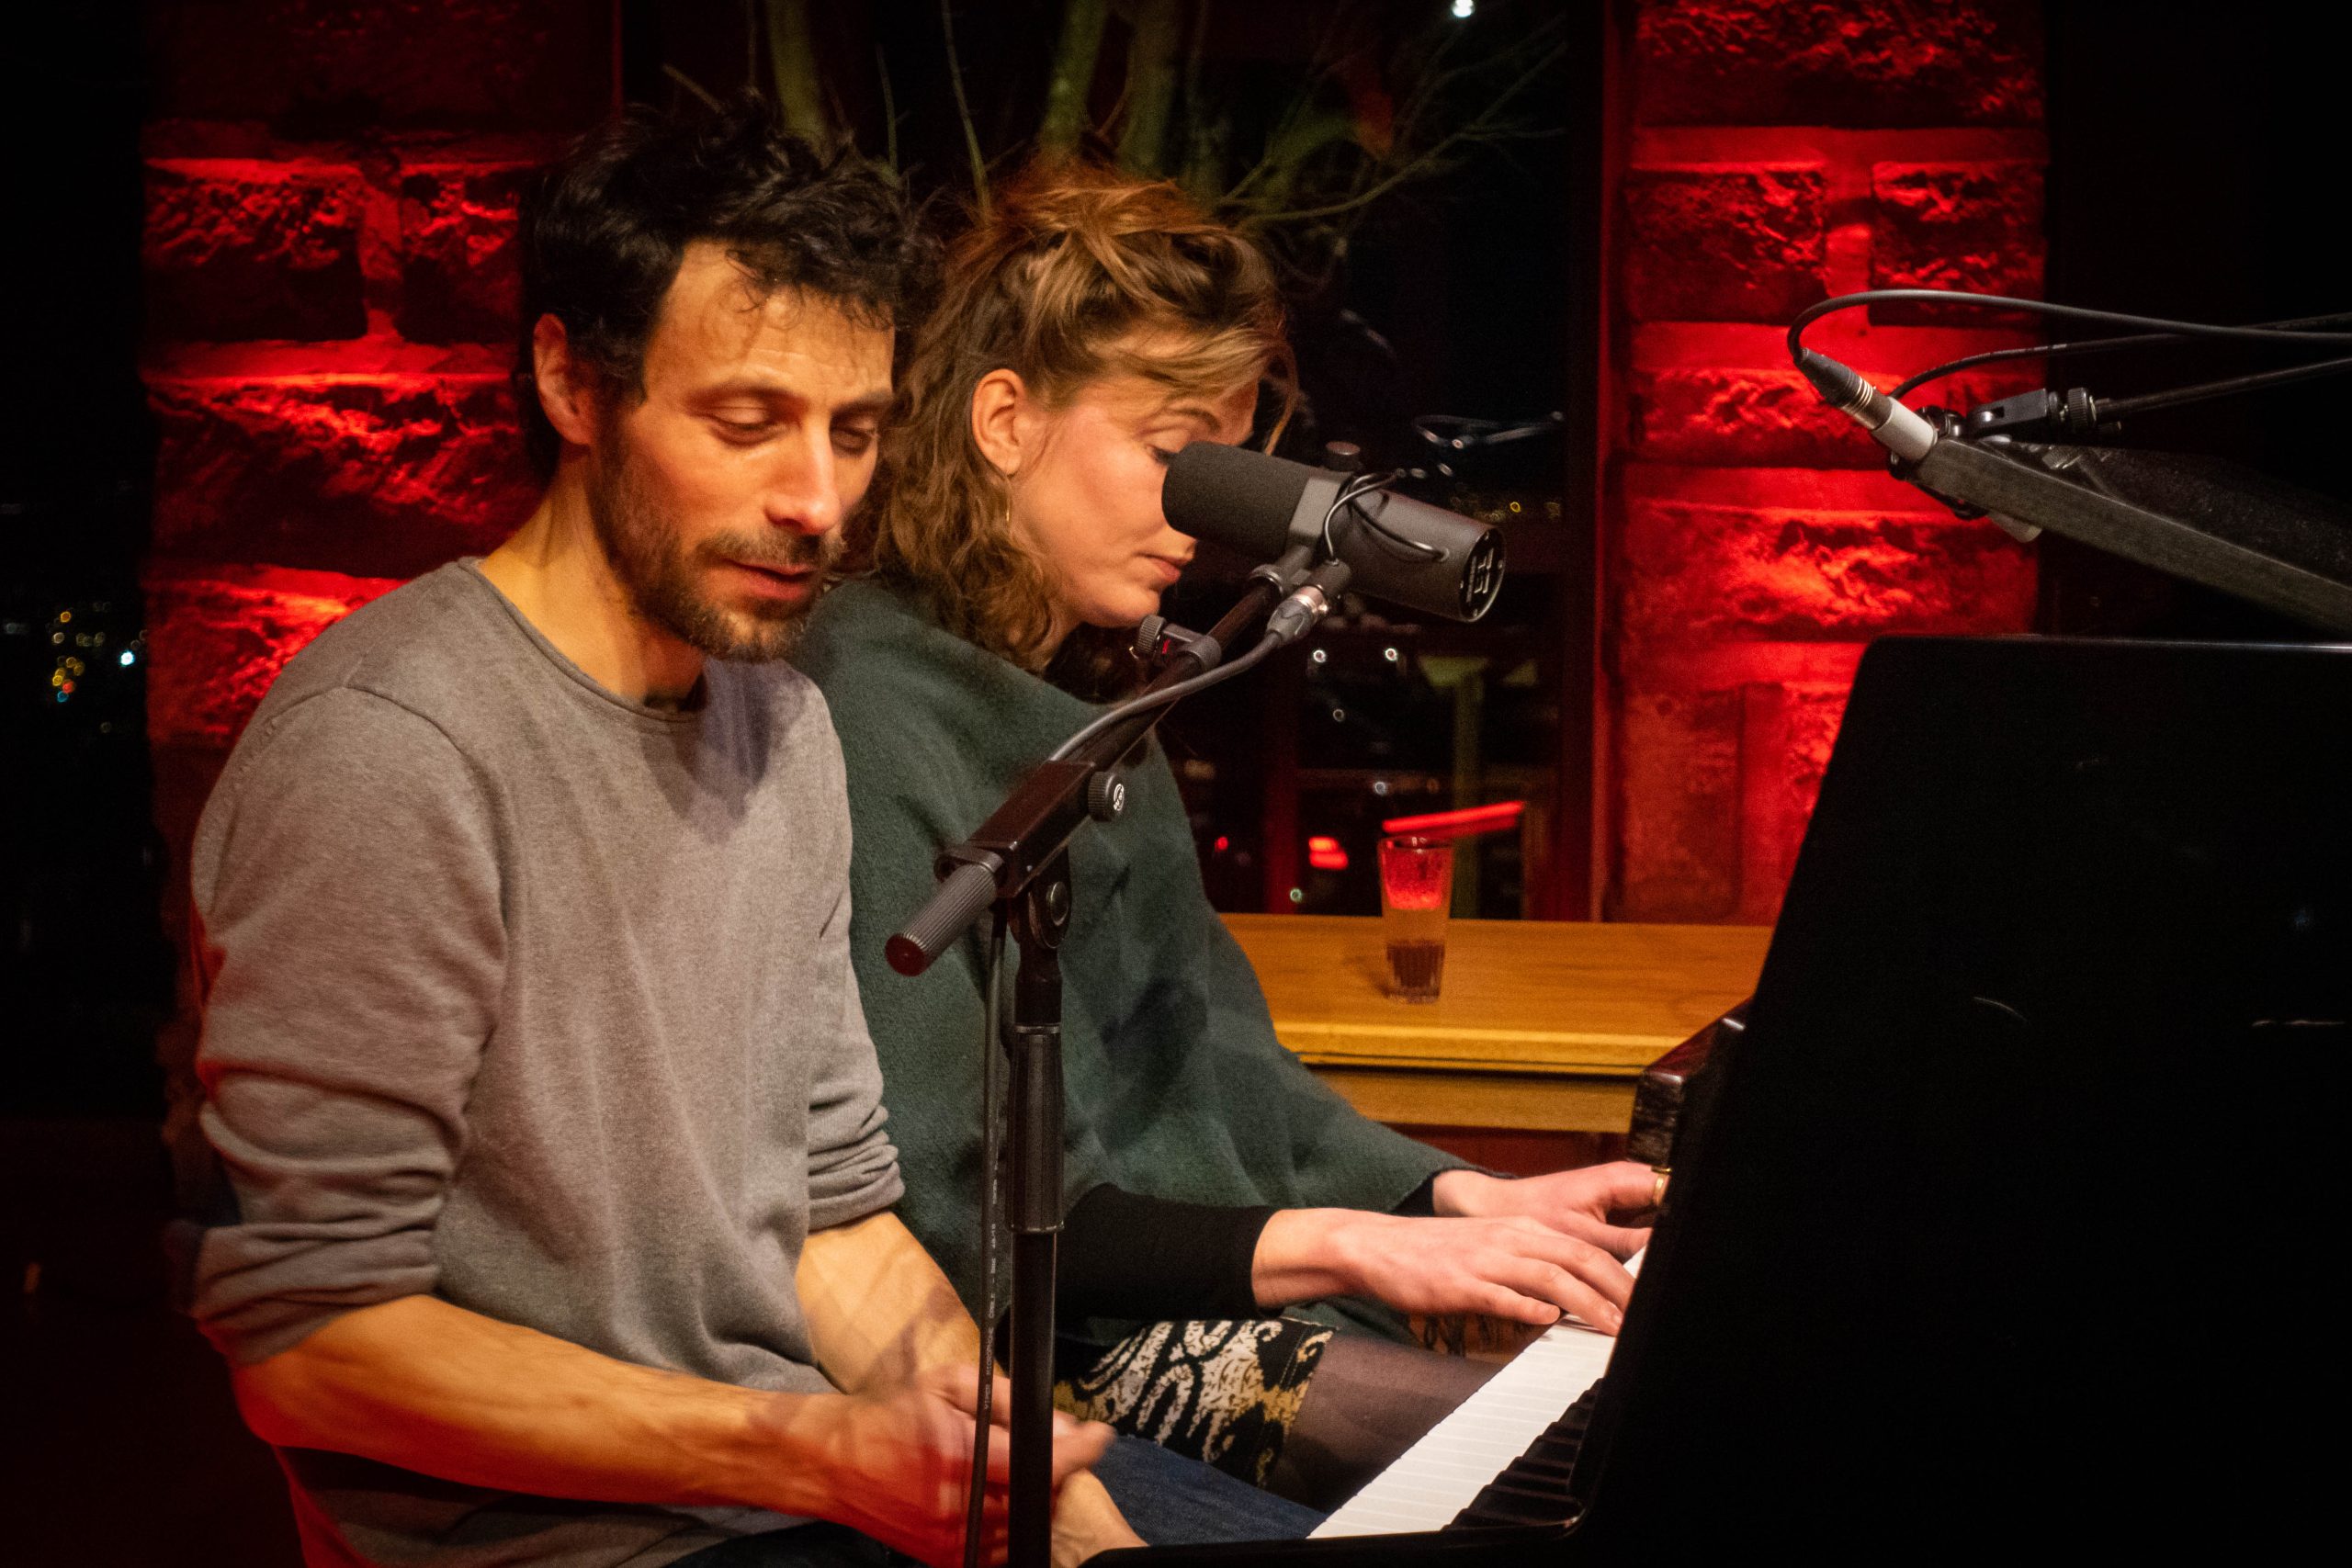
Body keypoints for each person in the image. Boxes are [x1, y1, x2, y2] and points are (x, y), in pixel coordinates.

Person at [178, 103, 1308, 1568]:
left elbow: (833, 1220)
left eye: (854, 432)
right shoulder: (393, 747)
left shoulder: (781, 728)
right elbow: (311, 1346)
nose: (817, 500)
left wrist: (1051, 1509)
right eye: (747, 423)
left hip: (784, 1501)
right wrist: (815, 1457)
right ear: (572, 382)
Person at [796, 164, 1661, 1511]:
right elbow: (956, 1207)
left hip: (1190, 1298)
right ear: (1004, 421)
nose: (1204, 513)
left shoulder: (1100, 693)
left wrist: (1454, 1196)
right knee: (1582, 1467)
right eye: (1173, 454)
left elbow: (1217, 1071)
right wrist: (1352, 1247)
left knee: (1629, 1425)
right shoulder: (861, 704)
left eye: (1231, 467)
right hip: (1046, 1346)